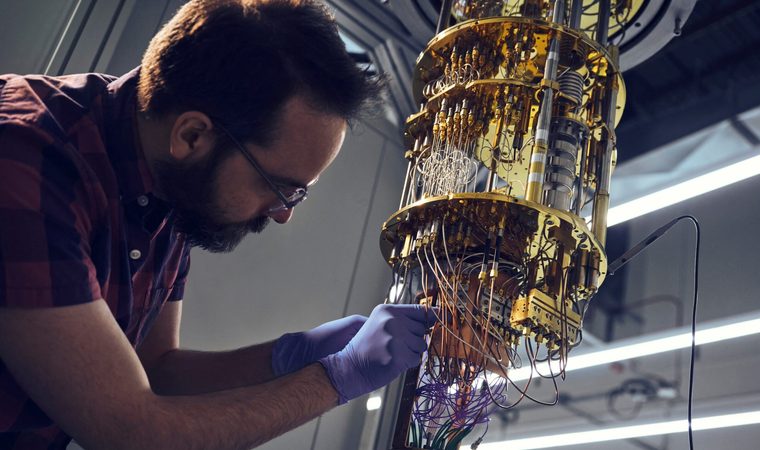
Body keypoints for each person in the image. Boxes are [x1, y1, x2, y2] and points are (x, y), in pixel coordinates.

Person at [0, 1, 435, 448]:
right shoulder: (23, 160)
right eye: (279, 187)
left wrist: (290, 356)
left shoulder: (169, 183)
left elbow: (158, 365)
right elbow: (131, 431)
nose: (283, 213)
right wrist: (337, 378)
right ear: (192, 135)